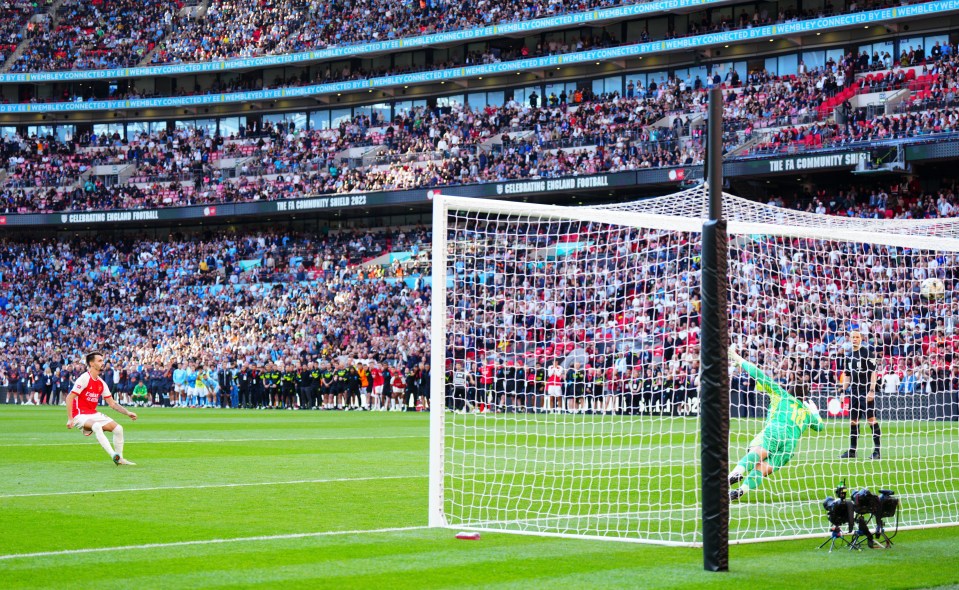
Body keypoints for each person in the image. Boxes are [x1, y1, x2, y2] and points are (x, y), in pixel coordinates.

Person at [727, 346, 823, 501]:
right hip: (789, 446)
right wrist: (815, 412)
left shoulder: (782, 395)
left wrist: (739, 359)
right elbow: (820, 427)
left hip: (776, 430)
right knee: (762, 470)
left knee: (754, 453)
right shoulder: (806, 413)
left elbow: (759, 374)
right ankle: (741, 491)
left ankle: (736, 472)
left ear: (790, 390)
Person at [65, 350, 138, 466]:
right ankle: (114, 455)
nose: (102, 363)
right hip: (80, 415)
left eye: (102, 360)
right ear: (91, 364)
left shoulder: (101, 383)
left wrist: (127, 412)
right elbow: (69, 398)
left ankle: (120, 459)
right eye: (99, 361)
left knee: (119, 429)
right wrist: (70, 418)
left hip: (93, 413)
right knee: (97, 426)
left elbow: (112, 403)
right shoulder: (84, 378)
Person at [839, 330, 881, 459]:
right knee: (853, 421)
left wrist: (872, 390)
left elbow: (873, 373)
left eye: (857, 337)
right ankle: (852, 450)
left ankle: (877, 451)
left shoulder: (867, 353)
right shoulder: (849, 355)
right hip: (853, 392)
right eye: (853, 337)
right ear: (850, 339)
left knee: (871, 420)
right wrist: (842, 391)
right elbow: (847, 376)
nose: (855, 339)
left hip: (865, 391)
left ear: (861, 339)